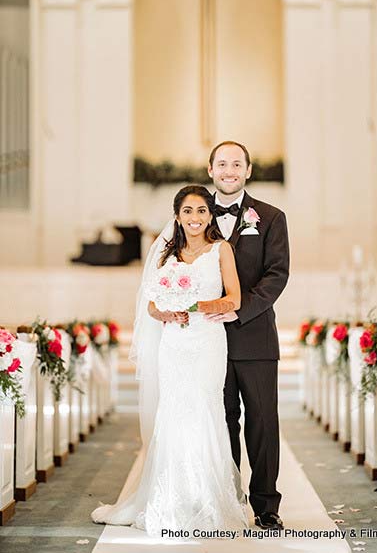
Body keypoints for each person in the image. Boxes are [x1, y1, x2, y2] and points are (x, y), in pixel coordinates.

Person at [91, 185, 248, 535]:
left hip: (207, 341)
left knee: (206, 410)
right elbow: (150, 304)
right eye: (188, 211)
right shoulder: (165, 255)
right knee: (174, 412)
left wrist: (199, 306)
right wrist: (167, 313)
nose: (195, 218)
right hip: (174, 344)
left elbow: (234, 298)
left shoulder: (221, 250)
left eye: (202, 211)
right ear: (177, 216)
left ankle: (207, 499)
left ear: (210, 215)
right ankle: (172, 497)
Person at [206, 140, 290, 531]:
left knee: (262, 423)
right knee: (219, 423)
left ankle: (266, 505)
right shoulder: (192, 215)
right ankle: (223, 496)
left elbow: (277, 274)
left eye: (236, 164)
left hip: (254, 336)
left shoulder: (271, 217)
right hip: (206, 342)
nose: (229, 171)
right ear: (210, 170)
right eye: (222, 164)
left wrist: (239, 309)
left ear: (248, 170)